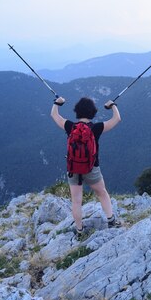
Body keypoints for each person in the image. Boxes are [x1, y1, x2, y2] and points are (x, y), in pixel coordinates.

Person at [51, 96, 122, 238]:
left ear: (77, 112)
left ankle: (79, 230)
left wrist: (57, 103)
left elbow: (54, 115)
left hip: (73, 169)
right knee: (102, 193)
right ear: (93, 113)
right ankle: (111, 220)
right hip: (92, 168)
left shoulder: (70, 126)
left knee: (76, 201)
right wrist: (112, 105)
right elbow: (117, 119)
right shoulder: (96, 128)